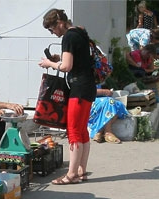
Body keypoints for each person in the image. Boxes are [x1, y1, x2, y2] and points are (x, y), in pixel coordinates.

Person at [39, 9, 96, 184]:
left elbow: (66, 67)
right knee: (81, 130)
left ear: (60, 23)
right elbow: (77, 59)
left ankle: (71, 175)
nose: (53, 33)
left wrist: (50, 63)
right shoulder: (80, 32)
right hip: (87, 87)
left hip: (78, 89)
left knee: (73, 131)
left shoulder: (68, 37)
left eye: (52, 29)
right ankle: (81, 171)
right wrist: (60, 58)